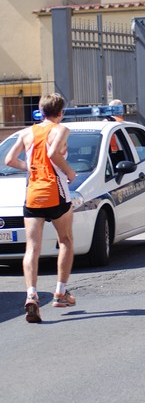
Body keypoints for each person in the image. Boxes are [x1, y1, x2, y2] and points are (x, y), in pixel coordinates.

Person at [5, 93, 77, 323]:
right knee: (65, 240)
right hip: (56, 193)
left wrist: (30, 168)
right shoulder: (61, 129)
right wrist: (69, 171)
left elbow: (8, 160)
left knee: (32, 247)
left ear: (40, 110)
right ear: (61, 112)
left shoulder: (26, 132)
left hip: (33, 194)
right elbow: (53, 152)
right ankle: (60, 292)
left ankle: (32, 295)